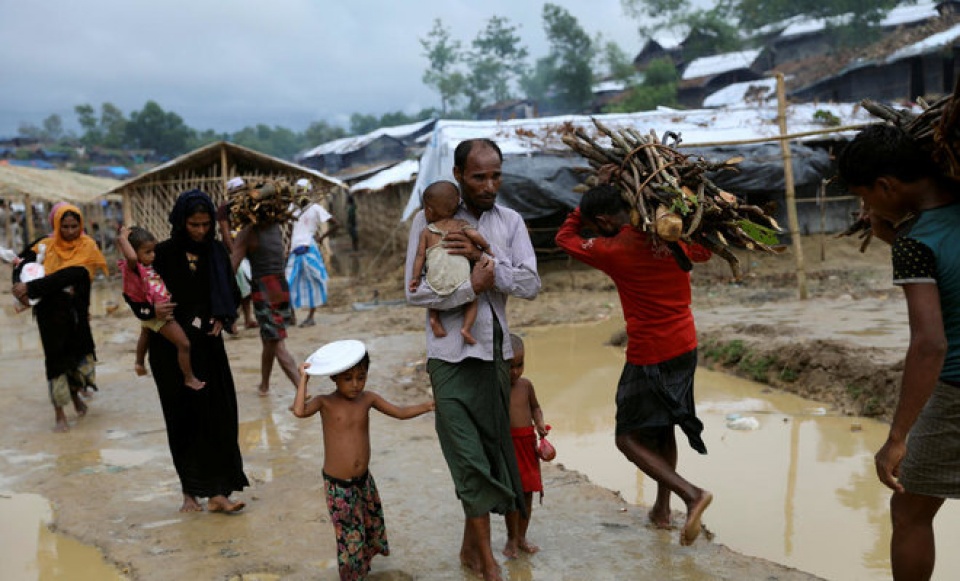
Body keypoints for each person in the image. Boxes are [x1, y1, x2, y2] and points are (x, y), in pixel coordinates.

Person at [404, 138, 541, 581]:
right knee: (466, 456)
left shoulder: (511, 222)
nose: (489, 184)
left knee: (489, 451)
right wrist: (469, 290)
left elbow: (531, 283)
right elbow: (414, 292)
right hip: (448, 359)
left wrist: (487, 261)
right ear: (459, 174)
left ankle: (470, 549)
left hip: (494, 356)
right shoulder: (429, 222)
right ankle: (487, 562)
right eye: (479, 176)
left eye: (496, 174)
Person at [555, 184, 714, 546]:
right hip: (685, 343)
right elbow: (704, 251)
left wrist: (580, 212)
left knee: (627, 438)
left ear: (603, 219)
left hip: (651, 352)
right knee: (664, 427)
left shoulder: (614, 248)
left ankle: (692, 495)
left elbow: (565, 238)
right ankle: (661, 509)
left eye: (598, 225)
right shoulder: (672, 232)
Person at [838, 123, 960, 581]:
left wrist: (897, 437)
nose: (868, 207)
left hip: (955, 389)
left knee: (909, 511)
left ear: (887, 185)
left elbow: (930, 344)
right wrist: (893, 235)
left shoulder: (916, 243)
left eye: (867, 196)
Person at [129, 188, 248, 513]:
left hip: (209, 348)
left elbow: (233, 293)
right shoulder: (161, 254)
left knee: (218, 417)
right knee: (182, 419)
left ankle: (219, 492)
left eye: (206, 224)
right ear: (181, 222)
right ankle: (189, 494)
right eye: (194, 224)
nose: (201, 231)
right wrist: (152, 312)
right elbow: (136, 294)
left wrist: (223, 317)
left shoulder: (216, 253)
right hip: (170, 351)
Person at [291, 340, 434, 580]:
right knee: (349, 539)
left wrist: (429, 405)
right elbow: (299, 411)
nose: (356, 384)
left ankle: (362, 569)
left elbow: (399, 412)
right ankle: (351, 576)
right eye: (348, 379)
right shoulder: (324, 402)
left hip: (364, 481)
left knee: (367, 528)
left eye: (361, 377)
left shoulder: (367, 399)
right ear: (334, 378)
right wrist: (304, 380)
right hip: (338, 485)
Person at [11, 203, 108, 432]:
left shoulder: (88, 247)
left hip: (75, 314)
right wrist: (17, 285)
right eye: (65, 226)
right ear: (57, 225)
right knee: (54, 359)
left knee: (75, 358)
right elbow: (20, 262)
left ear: (81, 225)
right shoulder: (45, 245)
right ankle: (59, 413)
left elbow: (74, 274)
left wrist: (32, 287)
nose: (70, 231)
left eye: (75, 226)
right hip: (50, 314)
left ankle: (75, 398)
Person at [117, 225, 204, 390]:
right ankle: (189, 377)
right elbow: (132, 258)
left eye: (153, 250)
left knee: (146, 333)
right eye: (147, 252)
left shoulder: (148, 266)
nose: (153, 255)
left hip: (153, 312)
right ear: (134, 253)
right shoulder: (133, 268)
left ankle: (139, 362)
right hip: (157, 314)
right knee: (184, 344)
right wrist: (122, 238)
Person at [408, 180, 493, 345]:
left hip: (436, 278)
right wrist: (486, 248)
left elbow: (420, 256)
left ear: (430, 210)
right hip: (460, 278)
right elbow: (475, 236)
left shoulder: (427, 231)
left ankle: (434, 319)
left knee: (433, 299)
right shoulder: (461, 225)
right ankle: (466, 329)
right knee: (472, 300)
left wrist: (416, 277)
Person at [232, 190, 299, 396]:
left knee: (277, 343)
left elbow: (231, 269)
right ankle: (264, 385)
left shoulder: (248, 233)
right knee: (269, 339)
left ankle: (302, 389)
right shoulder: (275, 228)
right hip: (281, 286)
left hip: (264, 290)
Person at [503, 333, 548, 558]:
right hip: (508, 448)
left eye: (519, 365)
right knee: (512, 494)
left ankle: (522, 537)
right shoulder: (497, 388)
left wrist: (539, 424)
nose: (515, 371)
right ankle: (511, 539)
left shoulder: (526, 386)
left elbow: (536, 408)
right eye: (509, 366)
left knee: (528, 493)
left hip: (527, 446)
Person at [285, 178, 339, 328]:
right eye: (297, 191)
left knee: (314, 281)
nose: (299, 194)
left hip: (309, 249)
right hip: (294, 251)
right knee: (288, 281)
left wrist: (321, 237)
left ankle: (310, 316)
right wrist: (287, 248)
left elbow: (336, 223)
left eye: (301, 191)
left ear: (308, 192)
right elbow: (290, 232)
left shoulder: (315, 209)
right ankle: (292, 316)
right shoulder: (292, 209)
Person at [217, 177, 256, 331]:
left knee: (247, 287)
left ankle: (248, 319)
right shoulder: (225, 208)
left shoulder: (249, 205)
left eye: (242, 189)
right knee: (235, 287)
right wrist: (235, 253)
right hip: (232, 251)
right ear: (230, 192)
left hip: (247, 251)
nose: (239, 193)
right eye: (236, 190)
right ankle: (232, 321)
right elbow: (225, 231)